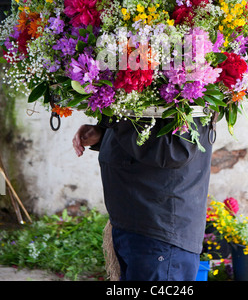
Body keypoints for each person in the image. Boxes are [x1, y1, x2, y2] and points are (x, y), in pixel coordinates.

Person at [72, 116, 213, 281]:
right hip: (134, 224)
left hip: (160, 231)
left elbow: (175, 151)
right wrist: (104, 133)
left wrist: (118, 120)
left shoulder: (188, 93)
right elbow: (147, 130)